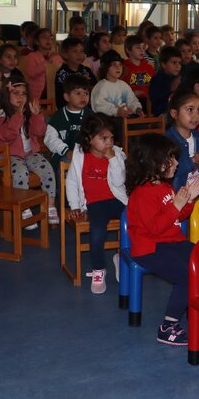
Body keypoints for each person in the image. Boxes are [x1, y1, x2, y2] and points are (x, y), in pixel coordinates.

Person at [123, 130, 199, 342]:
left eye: (174, 158)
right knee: (187, 275)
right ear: (151, 162)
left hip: (171, 241)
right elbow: (155, 227)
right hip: (149, 248)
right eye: (169, 159)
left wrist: (187, 201)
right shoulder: (142, 194)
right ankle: (169, 325)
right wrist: (176, 205)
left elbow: (179, 215)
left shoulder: (165, 187)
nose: (175, 163)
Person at [65, 113, 128, 294]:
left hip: (117, 199)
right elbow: (72, 182)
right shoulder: (79, 154)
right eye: (103, 138)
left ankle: (122, 259)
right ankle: (99, 269)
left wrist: (113, 159)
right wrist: (75, 205)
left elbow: (119, 182)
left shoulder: (117, 154)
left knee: (134, 223)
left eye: (111, 138)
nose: (109, 143)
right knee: (97, 233)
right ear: (89, 139)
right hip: (94, 203)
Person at [0, 77, 57, 225]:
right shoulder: (1, 115)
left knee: (47, 168)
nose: (21, 97)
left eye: (24, 93)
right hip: (7, 156)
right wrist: (18, 116)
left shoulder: (27, 113)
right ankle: (23, 207)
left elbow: (40, 132)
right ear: (7, 96)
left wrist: (37, 115)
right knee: (21, 172)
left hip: (27, 154)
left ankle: (50, 205)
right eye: (16, 93)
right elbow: (8, 135)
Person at [165, 91, 199, 193]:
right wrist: (192, 161)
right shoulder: (167, 140)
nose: (196, 116)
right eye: (190, 110)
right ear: (174, 114)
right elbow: (168, 174)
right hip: (179, 194)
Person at [44, 76, 94, 173]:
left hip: (86, 154)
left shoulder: (91, 115)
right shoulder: (58, 117)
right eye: (78, 93)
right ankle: (63, 189)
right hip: (63, 155)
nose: (83, 97)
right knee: (69, 165)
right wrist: (66, 151)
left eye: (86, 93)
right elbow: (50, 139)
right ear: (67, 97)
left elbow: (97, 135)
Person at [91, 50, 143, 118]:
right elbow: (99, 106)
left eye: (120, 64)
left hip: (125, 118)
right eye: (114, 64)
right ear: (105, 67)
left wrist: (137, 109)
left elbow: (132, 101)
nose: (118, 67)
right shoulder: (101, 86)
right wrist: (116, 111)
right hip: (108, 121)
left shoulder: (123, 85)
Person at [55, 37, 96, 109]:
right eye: (75, 51)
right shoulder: (62, 74)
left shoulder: (86, 70)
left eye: (82, 51)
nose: (79, 54)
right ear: (65, 54)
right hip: (69, 108)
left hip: (87, 107)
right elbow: (60, 98)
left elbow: (95, 88)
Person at [22, 27, 62, 101]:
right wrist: (48, 61)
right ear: (37, 42)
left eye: (50, 37)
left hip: (53, 94)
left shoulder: (56, 56)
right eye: (44, 37)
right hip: (37, 96)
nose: (48, 40)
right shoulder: (32, 56)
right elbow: (32, 73)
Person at [148, 46, 183, 117]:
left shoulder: (179, 77)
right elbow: (157, 103)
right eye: (174, 63)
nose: (178, 66)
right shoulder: (157, 80)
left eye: (179, 63)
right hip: (163, 114)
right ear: (164, 64)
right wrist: (171, 89)